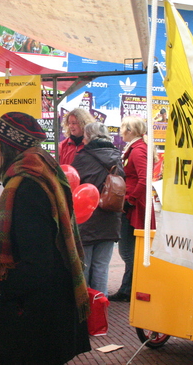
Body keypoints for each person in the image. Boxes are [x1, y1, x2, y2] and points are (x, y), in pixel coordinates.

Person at [0, 112, 90, 364]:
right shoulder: (44, 172)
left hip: (34, 324)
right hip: (48, 313)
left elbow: (37, 265)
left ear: (12, 146)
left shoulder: (26, 188)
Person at [71, 122, 123, 295]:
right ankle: (101, 308)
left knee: (83, 267)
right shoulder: (117, 156)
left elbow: (72, 185)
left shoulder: (82, 157)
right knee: (101, 268)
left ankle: (85, 310)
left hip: (87, 219)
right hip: (110, 218)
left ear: (88, 137)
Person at [110, 116, 157, 302]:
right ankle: (130, 287)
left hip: (134, 206)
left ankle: (130, 287)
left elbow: (144, 179)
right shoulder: (137, 148)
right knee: (130, 249)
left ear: (130, 130)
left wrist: (131, 199)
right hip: (134, 204)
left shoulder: (137, 150)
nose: (120, 132)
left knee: (127, 250)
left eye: (122, 128)